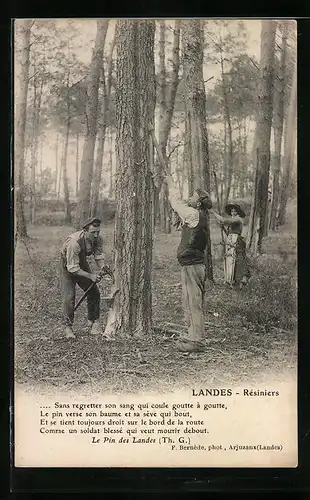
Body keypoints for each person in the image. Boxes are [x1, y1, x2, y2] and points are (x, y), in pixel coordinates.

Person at [165, 174, 213, 353]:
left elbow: (176, 203)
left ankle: (196, 341)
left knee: (192, 302)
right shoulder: (199, 215)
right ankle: (193, 335)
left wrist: (171, 182)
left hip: (192, 266)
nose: (190, 198)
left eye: (193, 196)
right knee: (192, 302)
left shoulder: (193, 214)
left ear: (199, 202)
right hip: (194, 265)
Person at [60, 217, 106, 339]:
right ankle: (68, 327)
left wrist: (103, 267)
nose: (96, 235)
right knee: (69, 297)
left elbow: (98, 255)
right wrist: (90, 275)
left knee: (94, 292)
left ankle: (93, 321)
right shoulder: (74, 243)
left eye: (98, 232)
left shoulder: (97, 239)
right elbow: (73, 268)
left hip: (81, 263)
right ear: (85, 231)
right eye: (93, 233)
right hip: (68, 266)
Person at [211, 203, 250, 288]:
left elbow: (225, 221)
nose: (233, 213)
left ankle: (239, 281)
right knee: (230, 260)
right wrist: (223, 228)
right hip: (230, 240)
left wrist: (213, 213)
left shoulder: (238, 219)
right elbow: (229, 233)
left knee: (236, 260)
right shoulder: (232, 220)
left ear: (238, 212)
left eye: (235, 211)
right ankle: (231, 280)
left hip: (237, 241)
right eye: (232, 211)